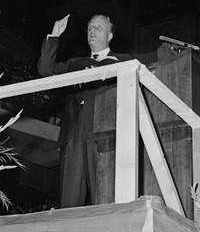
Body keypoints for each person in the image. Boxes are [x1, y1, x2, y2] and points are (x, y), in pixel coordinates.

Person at [37, 13, 133, 209]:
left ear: (110, 36)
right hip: (72, 137)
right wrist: (55, 35)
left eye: (98, 28)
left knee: (104, 198)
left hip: (103, 136)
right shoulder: (74, 64)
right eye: (90, 28)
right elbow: (45, 70)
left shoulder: (124, 61)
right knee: (68, 203)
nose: (92, 31)